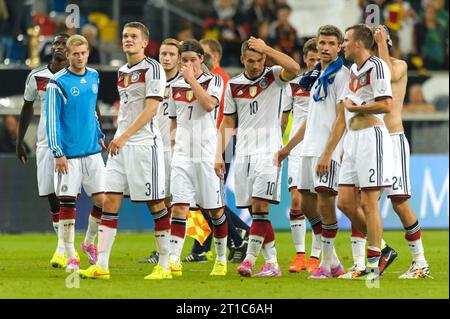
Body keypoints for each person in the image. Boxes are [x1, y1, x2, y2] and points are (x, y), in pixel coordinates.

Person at [78, 22, 169, 280]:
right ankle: (102, 266)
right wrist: (118, 135)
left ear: (144, 43)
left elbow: (151, 108)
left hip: (144, 144)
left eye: (133, 36)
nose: (128, 39)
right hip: (121, 145)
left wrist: (125, 136)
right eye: (125, 36)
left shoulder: (153, 68)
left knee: (155, 204)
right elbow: (128, 109)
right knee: (108, 201)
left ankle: (164, 265)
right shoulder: (122, 70)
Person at [216, 36, 300, 277]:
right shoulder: (233, 85)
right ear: (242, 59)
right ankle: (272, 264)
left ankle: (250, 261)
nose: (256, 65)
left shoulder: (274, 76)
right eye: (251, 60)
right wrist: (218, 154)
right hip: (244, 154)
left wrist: (268, 50)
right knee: (255, 212)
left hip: (270, 152)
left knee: (261, 207)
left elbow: (294, 69)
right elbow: (228, 122)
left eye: (260, 59)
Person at [275, 25, 349, 279]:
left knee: (326, 204)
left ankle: (327, 266)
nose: (325, 48)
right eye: (322, 43)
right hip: (307, 148)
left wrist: (328, 153)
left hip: (325, 149)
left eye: (331, 43)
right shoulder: (318, 76)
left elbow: (341, 119)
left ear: (339, 47)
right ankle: (335, 262)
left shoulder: (343, 76)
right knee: (306, 203)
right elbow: (311, 118)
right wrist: (288, 147)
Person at [370, 26, 430, 279]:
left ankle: (420, 262)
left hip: (393, 139)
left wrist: (381, 43)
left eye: (379, 44)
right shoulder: (365, 70)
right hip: (371, 139)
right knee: (363, 201)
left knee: (399, 201)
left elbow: (389, 76)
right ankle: (375, 255)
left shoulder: (398, 65)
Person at [337, 24, 394, 280]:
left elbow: (386, 104)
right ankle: (382, 249)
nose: (343, 45)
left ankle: (372, 267)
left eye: (346, 40)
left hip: (372, 138)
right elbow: (351, 104)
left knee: (369, 203)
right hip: (353, 140)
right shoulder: (353, 70)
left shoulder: (377, 66)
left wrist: (356, 109)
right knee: (346, 202)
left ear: (359, 43)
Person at [45, 34, 106, 271]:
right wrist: (58, 152)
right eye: (75, 54)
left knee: (103, 200)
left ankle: (88, 242)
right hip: (68, 155)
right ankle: (70, 254)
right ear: (68, 55)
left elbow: (90, 110)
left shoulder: (94, 76)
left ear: (88, 53)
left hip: (92, 152)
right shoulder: (57, 82)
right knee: (67, 204)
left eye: (83, 53)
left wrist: (99, 132)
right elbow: (52, 120)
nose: (80, 58)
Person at [167, 39, 227, 277]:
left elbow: (209, 105)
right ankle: (173, 259)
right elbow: (173, 118)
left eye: (193, 59)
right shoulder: (174, 86)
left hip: (206, 154)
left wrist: (191, 79)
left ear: (202, 59)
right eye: (185, 61)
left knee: (215, 211)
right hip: (182, 155)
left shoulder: (215, 80)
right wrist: (173, 143)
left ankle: (221, 259)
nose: (188, 64)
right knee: (179, 207)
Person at [137, 38, 181, 264]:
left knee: (178, 202)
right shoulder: (152, 80)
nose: (166, 58)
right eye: (163, 54)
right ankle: (166, 250)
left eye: (172, 54)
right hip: (154, 147)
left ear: (179, 58)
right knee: (158, 200)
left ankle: (172, 252)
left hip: (176, 150)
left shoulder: (184, 83)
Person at [280, 37, 321, 273]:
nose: (316, 62)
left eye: (319, 58)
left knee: (318, 201)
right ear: (305, 59)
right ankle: (299, 255)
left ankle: (316, 257)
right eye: (312, 58)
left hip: (320, 147)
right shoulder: (294, 84)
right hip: (296, 147)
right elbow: (285, 116)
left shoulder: (327, 82)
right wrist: (278, 139)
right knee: (297, 200)